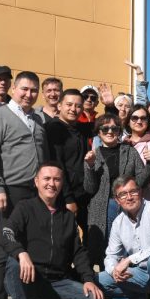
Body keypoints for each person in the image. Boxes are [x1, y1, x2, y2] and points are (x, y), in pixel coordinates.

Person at [3, 162, 103, 299]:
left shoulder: (67, 216)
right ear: (36, 182)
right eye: (47, 179)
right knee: (13, 261)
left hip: (58, 282)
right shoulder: (24, 208)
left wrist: (88, 279)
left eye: (57, 179)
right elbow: (7, 232)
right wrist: (21, 253)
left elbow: (78, 252)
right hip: (30, 278)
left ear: (62, 183)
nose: (51, 183)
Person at [0, 71, 48, 299]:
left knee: (30, 247)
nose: (29, 94)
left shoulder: (38, 120)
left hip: (35, 193)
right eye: (24, 89)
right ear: (14, 89)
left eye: (33, 90)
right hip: (10, 191)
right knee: (4, 248)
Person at [83, 114, 150, 268]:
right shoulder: (93, 155)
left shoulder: (130, 151)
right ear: (98, 132)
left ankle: (127, 279)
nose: (110, 132)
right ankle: (106, 279)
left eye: (114, 128)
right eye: (105, 128)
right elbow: (89, 188)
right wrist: (90, 166)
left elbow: (141, 182)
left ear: (119, 131)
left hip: (128, 206)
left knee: (128, 248)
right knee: (104, 249)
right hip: (103, 208)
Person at [45, 89, 91, 237]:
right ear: (59, 105)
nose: (73, 109)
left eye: (78, 106)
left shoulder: (80, 128)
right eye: (69, 104)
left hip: (83, 193)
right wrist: (68, 198)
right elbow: (57, 166)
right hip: (63, 196)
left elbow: (106, 124)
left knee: (91, 238)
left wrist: (110, 106)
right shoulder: (53, 129)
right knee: (64, 238)